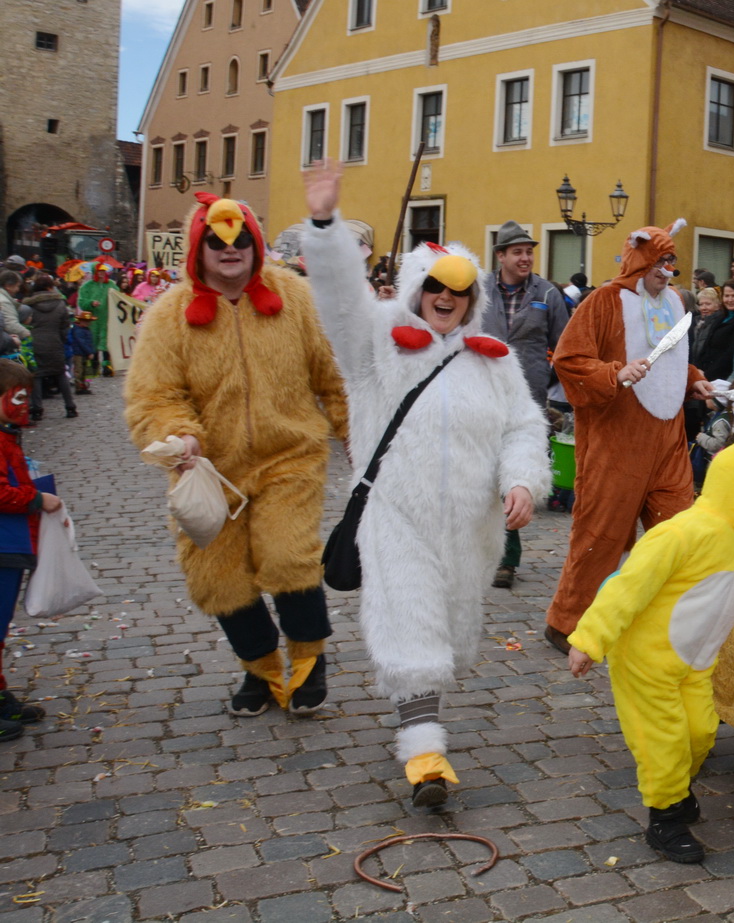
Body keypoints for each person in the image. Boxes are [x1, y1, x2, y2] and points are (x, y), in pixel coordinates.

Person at [301, 167, 546, 805]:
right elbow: (339, 301)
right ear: (417, 289)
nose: (445, 298)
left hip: (470, 528)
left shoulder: (495, 361)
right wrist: (326, 228)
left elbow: (524, 426)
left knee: (452, 635)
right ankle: (424, 753)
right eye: (433, 286)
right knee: (411, 632)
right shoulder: (376, 345)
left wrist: (521, 479)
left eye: (456, 292)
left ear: (472, 300)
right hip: (397, 517)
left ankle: (425, 724)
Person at [125, 193, 348, 716]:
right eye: (217, 242)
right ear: (197, 250)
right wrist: (177, 433)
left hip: (290, 455)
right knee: (217, 578)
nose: (231, 250)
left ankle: (310, 663)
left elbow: (335, 377)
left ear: (257, 244)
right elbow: (152, 395)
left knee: (286, 555)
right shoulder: (168, 316)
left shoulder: (296, 298)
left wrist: (359, 436)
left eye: (242, 239)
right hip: (209, 472)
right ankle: (261, 669)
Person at [565, 431, 734, 863]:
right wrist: (588, 640)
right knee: (666, 742)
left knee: (699, 734)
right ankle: (665, 820)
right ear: (730, 489)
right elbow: (627, 588)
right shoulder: (681, 534)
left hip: (695, 663)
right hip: (647, 662)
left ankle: (676, 792)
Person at [544, 221, 713, 650]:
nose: (667, 271)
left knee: (676, 531)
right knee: (600, 533)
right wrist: (613, 373)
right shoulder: (603, 302)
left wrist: (693, 380)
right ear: (639, 258)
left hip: (669, 436)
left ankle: (663, 621)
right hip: (616, 438)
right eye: (660, 261)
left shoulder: (674, 303)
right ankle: (567, 622)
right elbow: (568, 359)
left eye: (672, 262)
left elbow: (671, 358)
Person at [480, 221, 571, 590]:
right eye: (517, 251)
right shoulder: (478, 291)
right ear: (500, 255)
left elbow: (566, 347)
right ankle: (479, 548)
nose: (525, 257)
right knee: (481, 472)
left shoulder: (547, 294)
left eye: (529, 251)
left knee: (512, 473)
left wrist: (549, 389)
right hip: (482, 393)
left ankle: (506, 558)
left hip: (527, 400)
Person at [0, 358, 56, 744]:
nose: (25, 406)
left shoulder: (7, 437)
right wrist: (35, 499)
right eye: (18, 398)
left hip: (12, 541)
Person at [22, 277, 74, 419]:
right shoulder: (60, 303)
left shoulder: (29, 305)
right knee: (60, 373)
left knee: (36, 376)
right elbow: (65, 326)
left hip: (35, 342)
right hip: (54, 342)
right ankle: (70, 406)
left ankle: (37, 409)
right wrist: (61, 340)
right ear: (50, 288)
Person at [695, 279, 734, 383]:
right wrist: (697, 370)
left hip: (721, 378)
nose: (730, 299)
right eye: (726, 296)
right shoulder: (720, 317)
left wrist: (707, 375)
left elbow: (730, 353)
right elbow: (706, 345)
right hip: (703, 374)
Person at [76, 264, 117, 376]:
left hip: (107, 318)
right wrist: (91, 303)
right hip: (92, 320)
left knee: (106, 342)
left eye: (103, 271)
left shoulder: (111, 284)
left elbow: (118, 298)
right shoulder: (87, 286)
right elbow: (82, 302)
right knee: (93, 341)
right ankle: (94, 364)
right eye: (99, 271)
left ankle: (106, 366)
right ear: (95, 272)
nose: (102, 273)